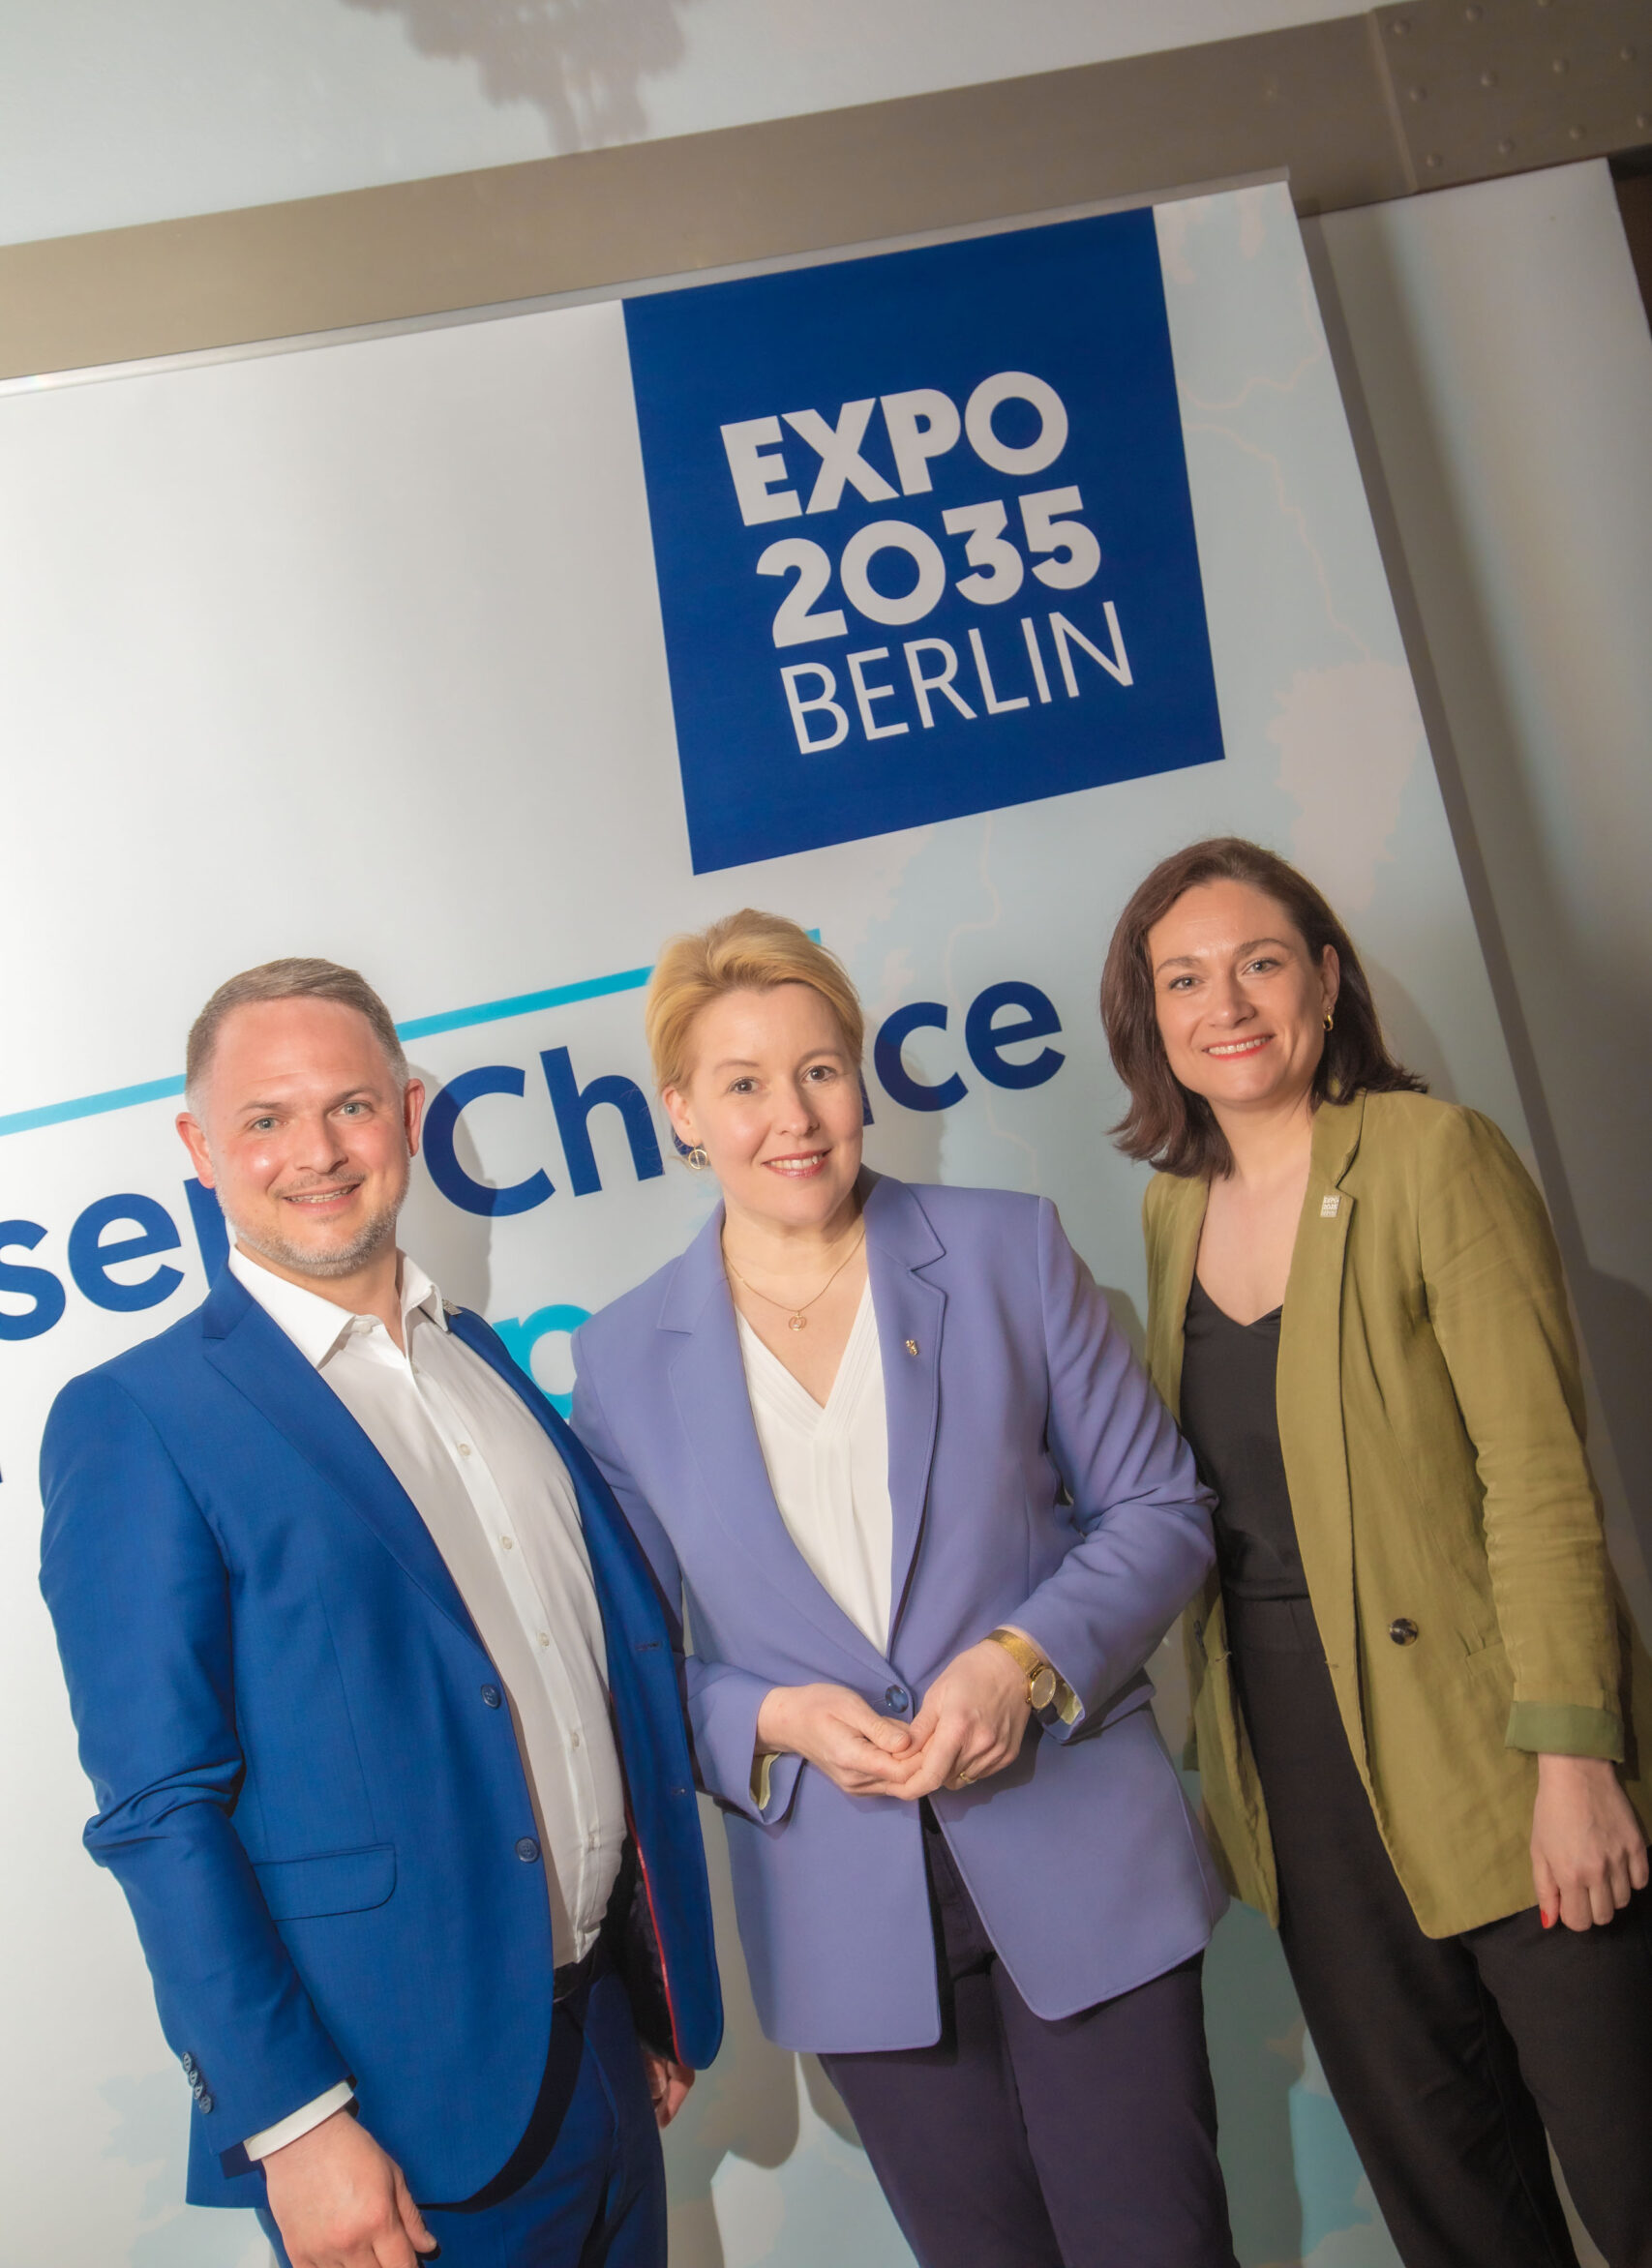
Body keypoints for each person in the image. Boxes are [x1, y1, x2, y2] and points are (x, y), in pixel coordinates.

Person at [569, 909, 1238, 2268]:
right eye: (744, 1084)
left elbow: (1161, 1511)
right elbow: (628, 1669)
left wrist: (1023, 1661)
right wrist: (771, 1720)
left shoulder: (1007, 1251)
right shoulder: (623, 1360)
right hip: (845, 1913)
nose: (794, 1117)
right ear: (681, 1112)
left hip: (1078, 1852)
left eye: (820, 1069)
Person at [39, 959, 721, 2268]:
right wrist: (294, 2126)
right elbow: (160, 1813)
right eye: (266, 1119)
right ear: (200, 1149)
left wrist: (644, 1989)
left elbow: (583, 1678)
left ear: (407, 1117)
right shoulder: (137, 1419)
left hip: (605, 2052)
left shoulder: (481, 1362)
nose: (317, 1152)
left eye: (350, 1106)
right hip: (393, 2127)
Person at [1100, 836, 1652, 2268]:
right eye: (1184, 979)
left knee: (1635, 2174)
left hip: (1499, 1754)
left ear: (1328, 981)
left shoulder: (1432, 1157)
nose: (1227, 1004)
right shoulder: (1170, 1209)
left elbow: (1540, 1480)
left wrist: (1576, 1762)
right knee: (1454, 2210)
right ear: (1150, 1018)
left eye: (1260, 963)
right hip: (1302, 1784)